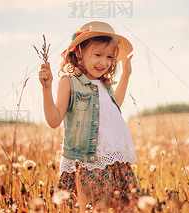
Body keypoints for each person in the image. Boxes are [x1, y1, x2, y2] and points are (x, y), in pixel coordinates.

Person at [38, 21, 139, 211]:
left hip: (115, 162)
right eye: (98, 55)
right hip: (88, 164)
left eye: (109, 57)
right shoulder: (70, 83)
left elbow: (114, 105)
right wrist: (47, 88)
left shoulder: (105, 85)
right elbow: (54, 120)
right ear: (79, 53)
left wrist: (126, 75)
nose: (104, 62)